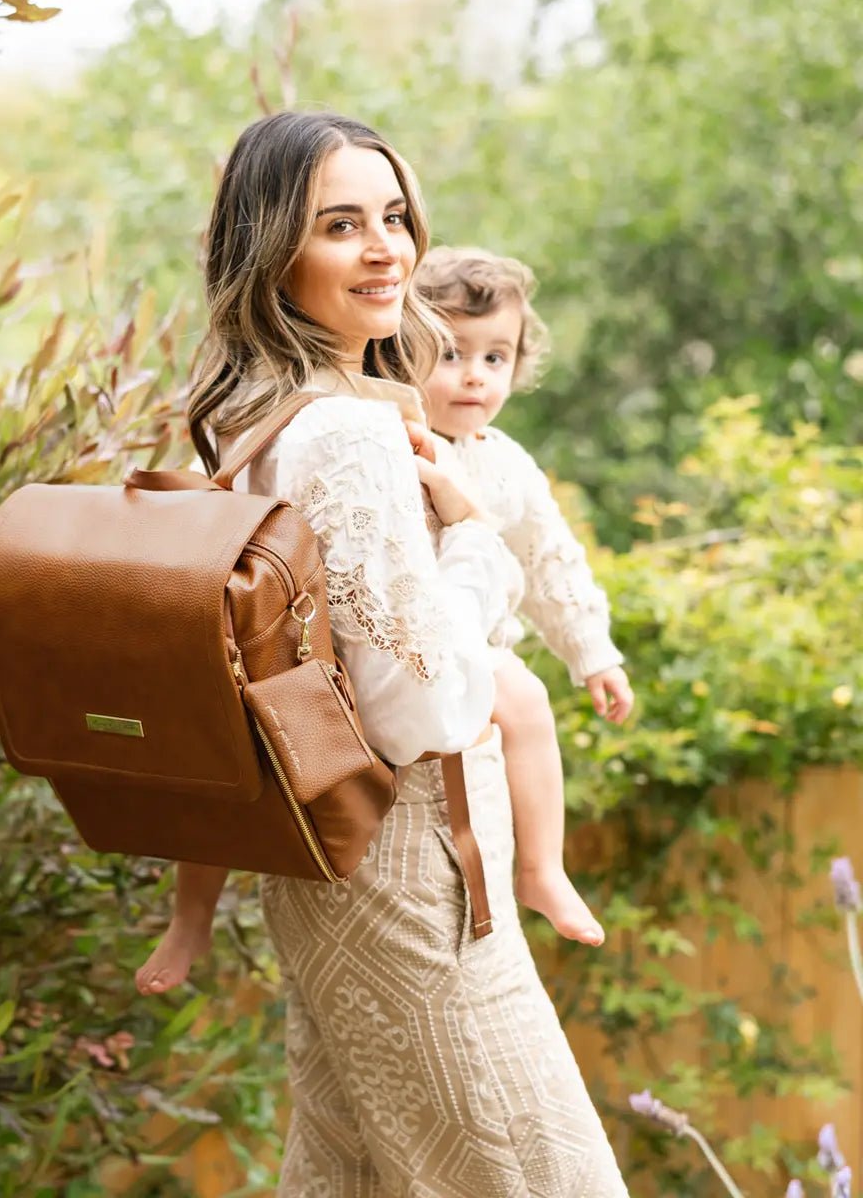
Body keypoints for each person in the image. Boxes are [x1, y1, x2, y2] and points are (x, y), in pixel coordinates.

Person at [140, 109, 630, 1195]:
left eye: (395, 217)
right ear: (273, 254)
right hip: (415, 878)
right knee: (543, 1174)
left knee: (353, 1171)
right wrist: (469, 535)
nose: (385, 250)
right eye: (339, 226)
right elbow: (432, 705)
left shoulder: (250, 417)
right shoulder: (354, 433)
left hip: (316, 871)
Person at [417, 246, 634, 947]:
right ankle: (193, 914)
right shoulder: (395, 439)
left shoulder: (505, 463)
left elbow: (550, 561)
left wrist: (594, 654)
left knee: (528, 703)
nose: (474, 375)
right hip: (406, 640)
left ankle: (541, 869)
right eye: (450, 352)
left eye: (495, 357)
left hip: (477, 646)